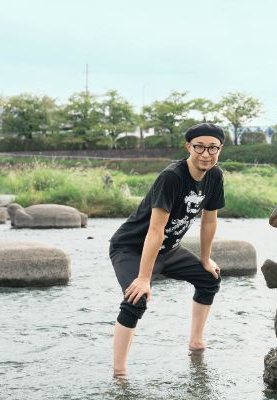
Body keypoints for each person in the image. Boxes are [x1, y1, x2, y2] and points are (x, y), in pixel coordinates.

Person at [108, 123, 226, 378]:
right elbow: (155, 230)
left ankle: (196, 342)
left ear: (220, 149)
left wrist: (205, 259)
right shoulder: (172, 177)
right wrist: (143, 277)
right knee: (136, 299)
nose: (206, 154)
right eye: (199, 147)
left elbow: (209, 221)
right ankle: (119, 374)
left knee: (209, 278)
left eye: (212, 148)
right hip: (131, 248)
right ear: (188, 147)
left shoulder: (215, 176)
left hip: (168, 250)